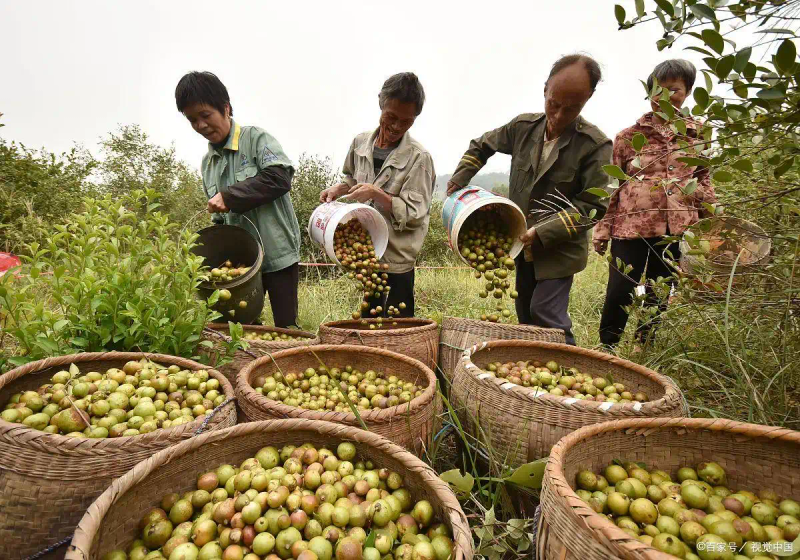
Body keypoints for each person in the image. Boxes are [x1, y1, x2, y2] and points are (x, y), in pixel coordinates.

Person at [447, 54, 612, 345]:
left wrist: (543, 232)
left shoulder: (594, 145)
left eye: (571, 109)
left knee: (546, 313)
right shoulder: (523, 128)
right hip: (521, 246)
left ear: (588, 99)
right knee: (525, 315)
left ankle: (568, 363)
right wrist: (460, 178)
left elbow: (592, 207)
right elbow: (481, 145)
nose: (558, 115)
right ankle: (534, 366)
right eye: (554, 104)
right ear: (545, 89)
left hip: (559, 251)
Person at [594, 59, 716, 348]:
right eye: (658, 90)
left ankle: (644, 344)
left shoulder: (698, 134)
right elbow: (614, 186)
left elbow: (703, 178)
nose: (665, 97)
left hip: (675, 229)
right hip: (630, 228)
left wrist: (711, 220)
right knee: (620, 289)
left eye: (674, 90)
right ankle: (607, 346)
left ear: (687, 92)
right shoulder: (628, 137)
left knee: (659, 290)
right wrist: (602, 229)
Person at [175, 71, 302, 329]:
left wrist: (230, 196)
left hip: (278, 255)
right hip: (240, 267)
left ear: (226, 108)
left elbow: (279, 179)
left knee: (286, 328)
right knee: (240, 329)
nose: (201, 125)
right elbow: (220, 220)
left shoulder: (256, 140)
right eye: (192, 120)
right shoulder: (208, 164)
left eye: (205, 115)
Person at [320, 72, 435, 318]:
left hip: (396, 261)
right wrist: (340, 188)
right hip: (368, 255)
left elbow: (415, 214)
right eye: (391, 117)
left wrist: (377, 193)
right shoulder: (360, 144)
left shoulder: (419, 158)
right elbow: (352, 178)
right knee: (369, 324)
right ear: (381, 103)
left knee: (398, 329)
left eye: (406, 122)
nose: (396, 127)